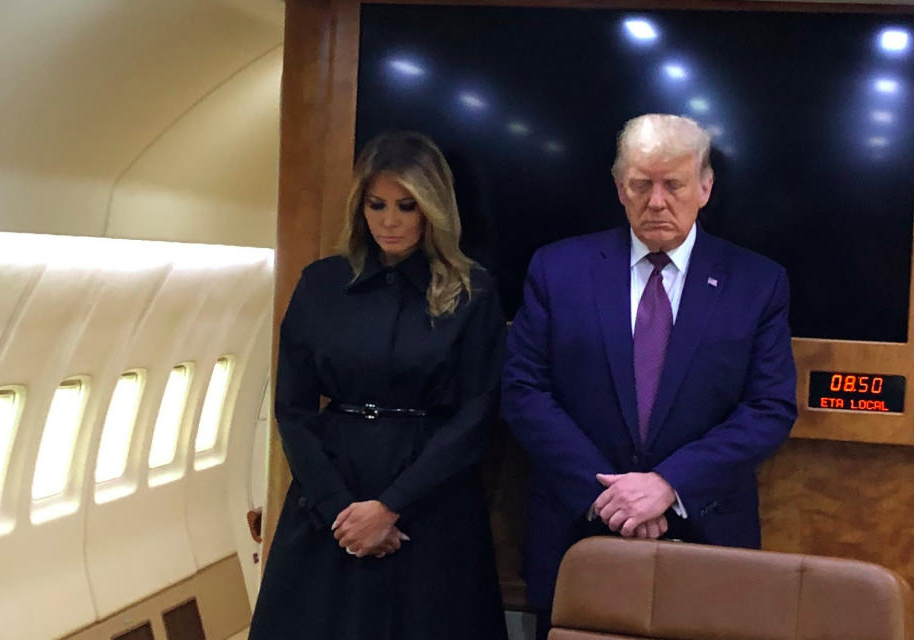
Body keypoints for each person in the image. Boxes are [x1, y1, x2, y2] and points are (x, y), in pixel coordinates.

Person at [501, 114, 797, 639]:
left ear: (704, 188)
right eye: (641, 184)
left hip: (707, 535)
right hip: (579, 531)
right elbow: (524, 391)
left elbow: (768, 407)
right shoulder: (557, 269)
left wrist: (668, 484)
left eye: (674, 185)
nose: (656, 201)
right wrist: (611, 498)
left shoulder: (757, 283)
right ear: (620, 188)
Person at [249, 131, 507, 639]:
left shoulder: (471, 290)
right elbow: (293, 408)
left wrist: (391, 506)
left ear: (432, 208)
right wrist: (337, 508)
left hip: (431, 495)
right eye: (377, 204)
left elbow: (477, 412)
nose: (390, 221)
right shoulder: (321, 284)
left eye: (407, 206)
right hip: (332, 497)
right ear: (359, 206)